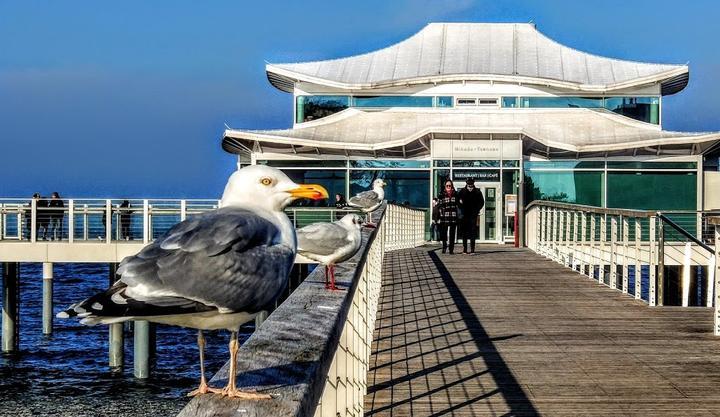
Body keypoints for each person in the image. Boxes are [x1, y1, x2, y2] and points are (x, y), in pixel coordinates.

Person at [458, 178, 485, 254]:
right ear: (466, 184)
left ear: (473, 184)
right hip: (465, 214)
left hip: (473, 215)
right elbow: (457, 201)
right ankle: (465, 249)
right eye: (469, 185)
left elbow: (482, 202)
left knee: (473, 232)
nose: (470, 186)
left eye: (471, 185)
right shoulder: (462, 191)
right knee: (464, 232)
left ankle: (472, 249)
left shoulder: (477, 192)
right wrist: (461, 207)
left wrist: (476, 210)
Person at [437, 180, 459, 254]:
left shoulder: (455, 194)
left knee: (452, 233)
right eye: (447, 186)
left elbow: (458, 204)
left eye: (450, 185)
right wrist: (439, 216)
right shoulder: (441, 194)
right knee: (444, 233)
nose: (448, 187)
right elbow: (439, 205)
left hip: (453, 216)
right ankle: (444, 246)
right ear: (445, 186)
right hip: (444, 216)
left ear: (452, 186)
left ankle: (451, 249)